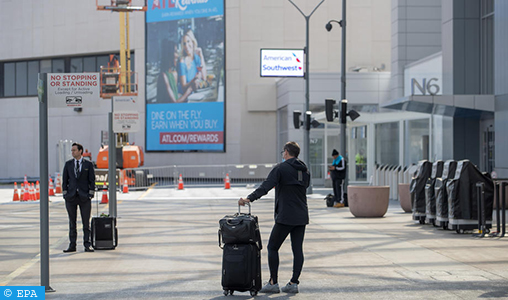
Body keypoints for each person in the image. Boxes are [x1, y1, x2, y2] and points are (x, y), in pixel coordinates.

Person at [238, 141, 310, 294]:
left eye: (283, 152)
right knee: (297, 249)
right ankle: (293, 283)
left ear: (286, 152)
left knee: (272, 247)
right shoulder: (305, 170)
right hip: (301, 215)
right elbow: (305, 186)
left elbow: (266, 186)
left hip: (285, 216)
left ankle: (273, 282)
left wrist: (249, 199)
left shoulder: (280, 168)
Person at [62, 143, 96, 253]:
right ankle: (72, 245)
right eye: (72, 150)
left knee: (86, 223)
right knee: (72, 223)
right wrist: (65, 194)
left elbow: (92, 180)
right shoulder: (68, 165)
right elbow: (65, 181)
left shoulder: (88, 164)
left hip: (84, 197)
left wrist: (90, 194)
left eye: (74, 150)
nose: (72, 152)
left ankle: (87, 244)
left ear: (80, 151)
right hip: (71, 197)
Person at [156, 39, 194, 103]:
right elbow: (174, 102)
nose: (177, 55)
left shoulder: (174, 73)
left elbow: (175, 94)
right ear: (169, 54)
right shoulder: (164, 76)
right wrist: (188, 91)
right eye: (175, 52)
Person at [178, 29, 207, 94]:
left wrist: (201, 56)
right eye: (184, 43)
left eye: (188, 41)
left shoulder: (197, 57)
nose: (186, 46)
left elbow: (204, 78)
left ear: (193, 42)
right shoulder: (182, 61)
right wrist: (194, 80)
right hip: (186, 97)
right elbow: (183, 88)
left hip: (196, 94)